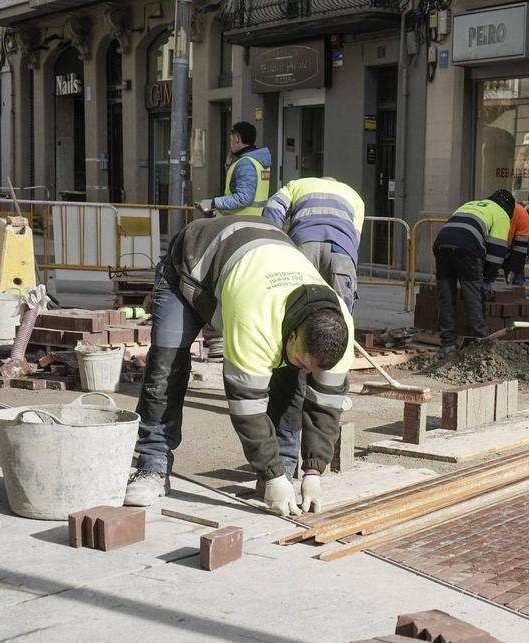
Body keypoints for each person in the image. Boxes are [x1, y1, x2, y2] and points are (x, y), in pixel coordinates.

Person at [124, 217, 353, 516]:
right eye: (304, 360)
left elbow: (325, 408)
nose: (309, 372)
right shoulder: (255, 319)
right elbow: (247, 407)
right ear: (293, 334)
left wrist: (313, 471)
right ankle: (151, 465)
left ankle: (281, 468)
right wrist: (273, 475)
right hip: (192, 265)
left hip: (254, 259)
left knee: (291, 374)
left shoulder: (340, 329)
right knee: (166, 366)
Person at [430, 189, 517, 357]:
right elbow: (496, 252)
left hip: (441, 243)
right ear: (508, 208)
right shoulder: (501, 214)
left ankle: (447, 345)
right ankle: (480, 344)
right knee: (473, 296)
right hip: (467, 247)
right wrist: (488, 278)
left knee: (446, 295)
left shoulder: (471, 204)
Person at [263, 176, 365, 310]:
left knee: (299, 306)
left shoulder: (296, 185)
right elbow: (355, 238)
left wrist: (276, 242)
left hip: (304, 243)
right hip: (341, 250)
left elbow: (274, 207)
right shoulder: (354, 196)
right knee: (342, 311)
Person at [195, 122, 272, 217]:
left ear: (237, 139)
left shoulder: (246, 163)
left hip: (238, 222)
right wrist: (229, 165)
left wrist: (212, 203)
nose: (230, 144)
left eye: (231, 139)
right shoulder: (258, 161)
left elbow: (243, 198)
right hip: (254, 219)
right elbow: (239, 185)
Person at [503, 201, 529, 286]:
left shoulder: (521, 213)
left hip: (508, 249)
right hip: (485, 247)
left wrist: (514, 270)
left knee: (515, 281)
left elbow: (520, 248)